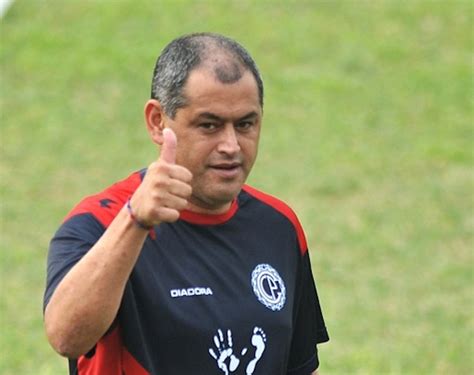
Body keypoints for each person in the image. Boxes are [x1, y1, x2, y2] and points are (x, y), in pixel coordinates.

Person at [43, 32, 329, 375]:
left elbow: (300, 366)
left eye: (245, 124)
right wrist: (135, 222)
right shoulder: (100, 223)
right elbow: (66, 337)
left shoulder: (279, 227)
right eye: (209, 125)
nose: (231, 145)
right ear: (157, 122)